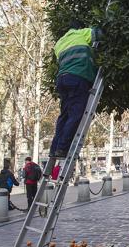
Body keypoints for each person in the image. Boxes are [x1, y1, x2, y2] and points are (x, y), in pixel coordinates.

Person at [50, 23, 104, 158]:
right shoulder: (81, 33)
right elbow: (99, 33)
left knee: (64, 115)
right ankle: (62, 149)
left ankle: (54, 149)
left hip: (62, 79)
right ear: (78, 28)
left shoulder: (59, 43)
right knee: (76, 114)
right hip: (78, 77)